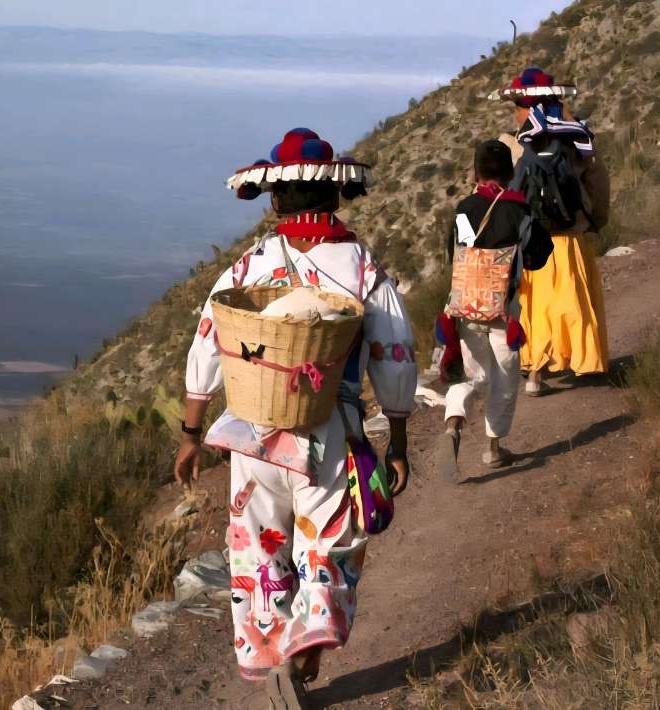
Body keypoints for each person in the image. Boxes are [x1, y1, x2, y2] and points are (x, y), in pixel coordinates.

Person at [174, 128, 417, 709]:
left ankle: (271, 646)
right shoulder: (361, 267)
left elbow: (208, 343)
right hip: (328, 430)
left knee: (260, 545)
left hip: (252, 432)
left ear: (276, 200)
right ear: (333, 195)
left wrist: (191, 433)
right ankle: (303, 654)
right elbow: (394, 354)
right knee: (327, 545)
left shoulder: (249, 267)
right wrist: (398, 436)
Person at [434, 140, 552, 480]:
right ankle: (493, 448)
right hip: (503, 311)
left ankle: (453, 424)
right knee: (503, 378)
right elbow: (539, 256)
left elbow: (457, 253)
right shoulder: (519, 210)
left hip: (466, 307)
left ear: (476, 173)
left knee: (471, 375)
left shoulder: (464, 208)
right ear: (510, 173)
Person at [496, 67, 611, 395]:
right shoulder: (578, 141)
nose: (515, 114)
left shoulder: (513, 146)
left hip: (532, 242)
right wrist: (596, 221)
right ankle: (584, 360)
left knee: (535, 306)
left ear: (527, 108)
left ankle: (535, 372)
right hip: (570, 239)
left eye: (517, 107)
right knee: (572, 303)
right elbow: (598, 183)